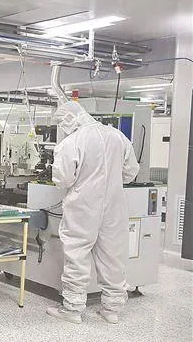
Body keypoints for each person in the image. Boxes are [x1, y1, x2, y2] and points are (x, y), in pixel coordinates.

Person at [47, 101, 139, 325]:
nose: (63, 128)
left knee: (76, 253)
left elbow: (62, 179)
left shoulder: (72, 141)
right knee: (113, 255)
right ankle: (112, 309)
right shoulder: (117, 136)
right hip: (114, 205)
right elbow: (131, 172)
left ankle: (73, 308)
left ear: (70, 119)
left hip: (83, 205)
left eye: (62, 123)